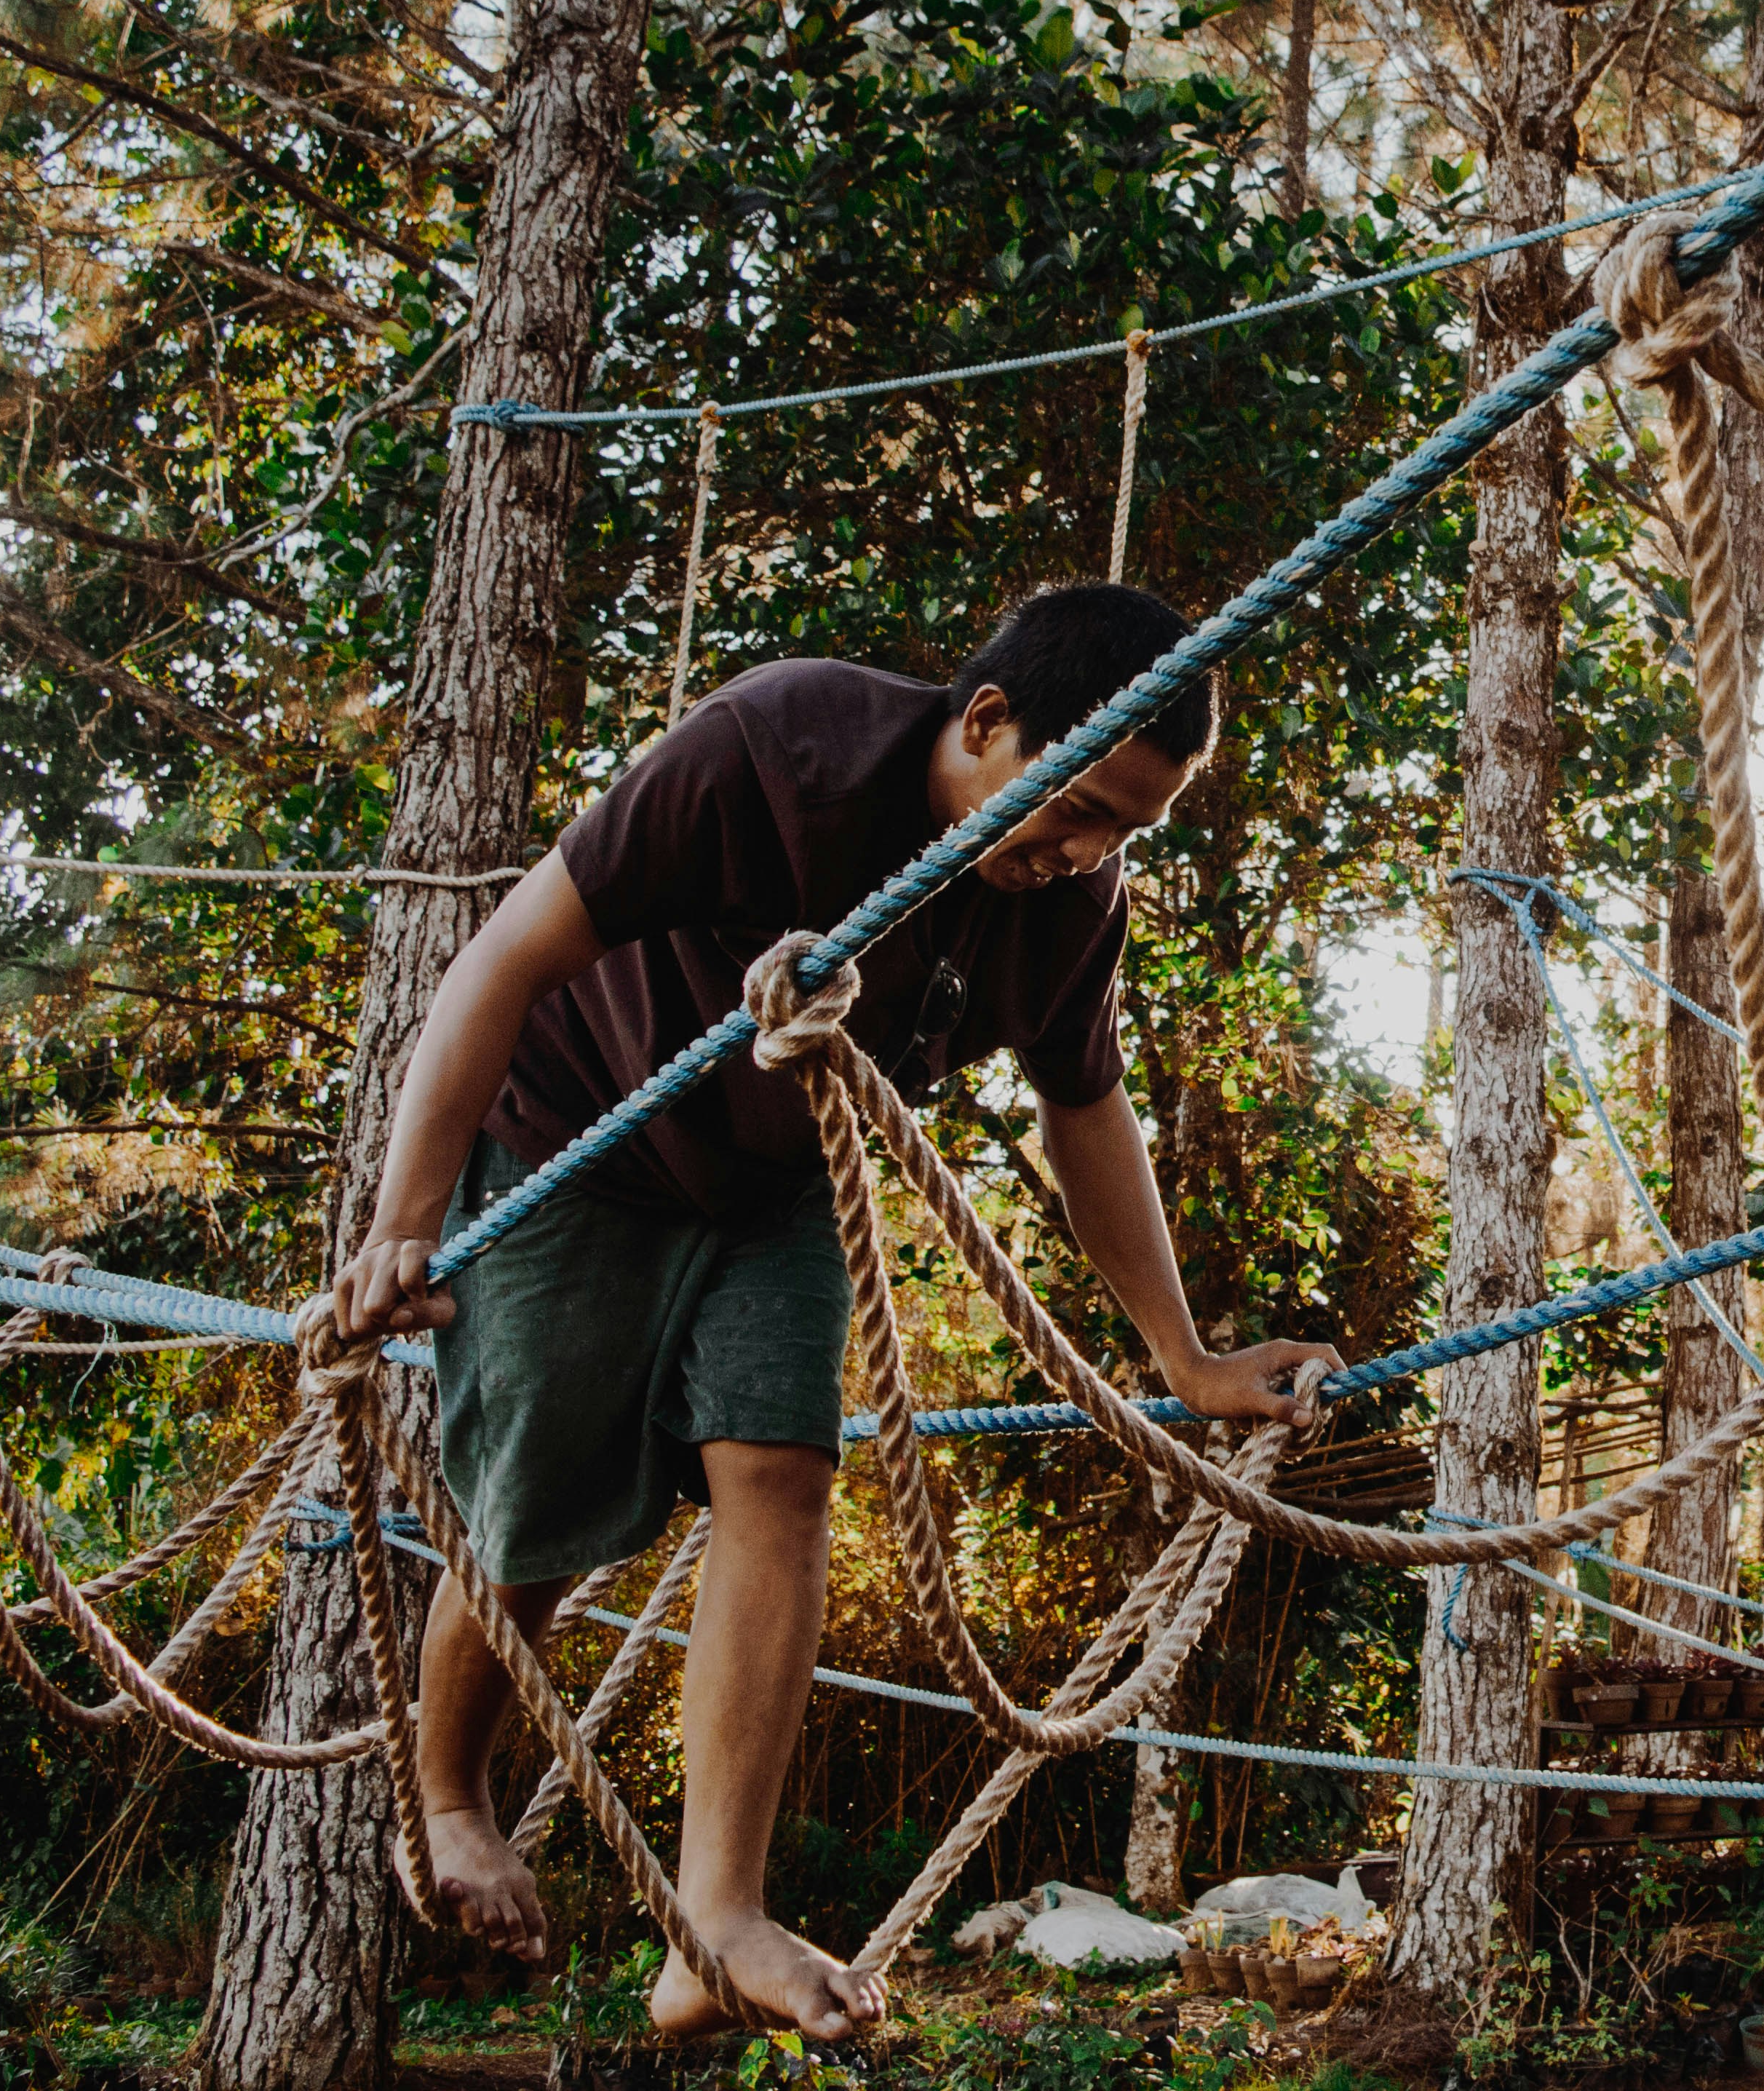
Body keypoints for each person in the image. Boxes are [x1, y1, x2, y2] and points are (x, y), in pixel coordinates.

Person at [322, 581, 1338, 2041]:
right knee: (528, 1511)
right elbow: (504, 954)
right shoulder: (773, 747)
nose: (1086, 852)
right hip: (575, 1137)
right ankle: (449, 1798)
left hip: (773, 1184)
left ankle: (714, 1922)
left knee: (784, 1479)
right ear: (985, 720)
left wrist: (1185, 1357)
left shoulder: (1069, 903)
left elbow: (1088, 1111)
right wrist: (404, 1223)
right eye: (1079, 803)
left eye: (1129, 826)